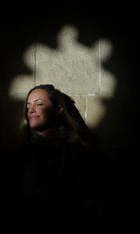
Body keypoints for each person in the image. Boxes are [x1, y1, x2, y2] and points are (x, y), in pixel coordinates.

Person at [18, 84, 108, 233]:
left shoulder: (80, 151)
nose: (31, 110)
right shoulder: (20, 153)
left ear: (58, 110)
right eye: (28, 106)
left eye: (39, 103)